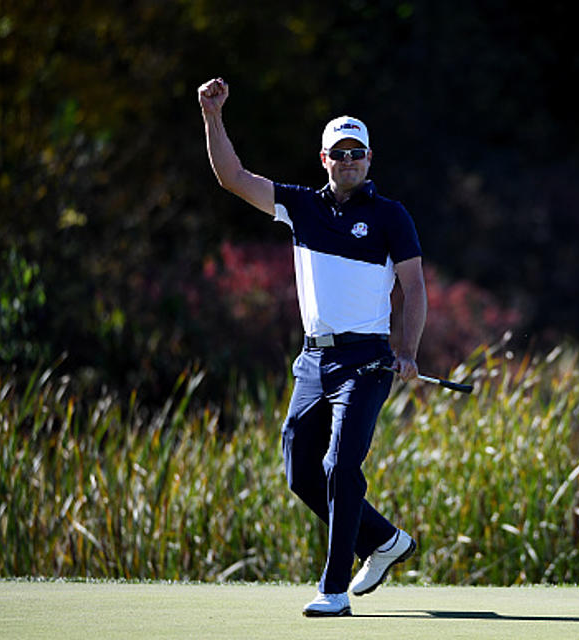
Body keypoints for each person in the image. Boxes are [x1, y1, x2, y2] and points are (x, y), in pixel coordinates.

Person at [198, 77, 426, 617]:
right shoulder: (300, 207)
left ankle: (334, 589)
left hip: (367, 361)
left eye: (357, 152)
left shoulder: (392, 216)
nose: (349, 160)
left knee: (341, 466)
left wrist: (408, 349)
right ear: (324, 158)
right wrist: (212, 116)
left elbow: (413, 287)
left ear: (369, 158)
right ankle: (385, 540)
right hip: (313, 361)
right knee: (301, 472)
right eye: (339, 152)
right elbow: (232, 177)